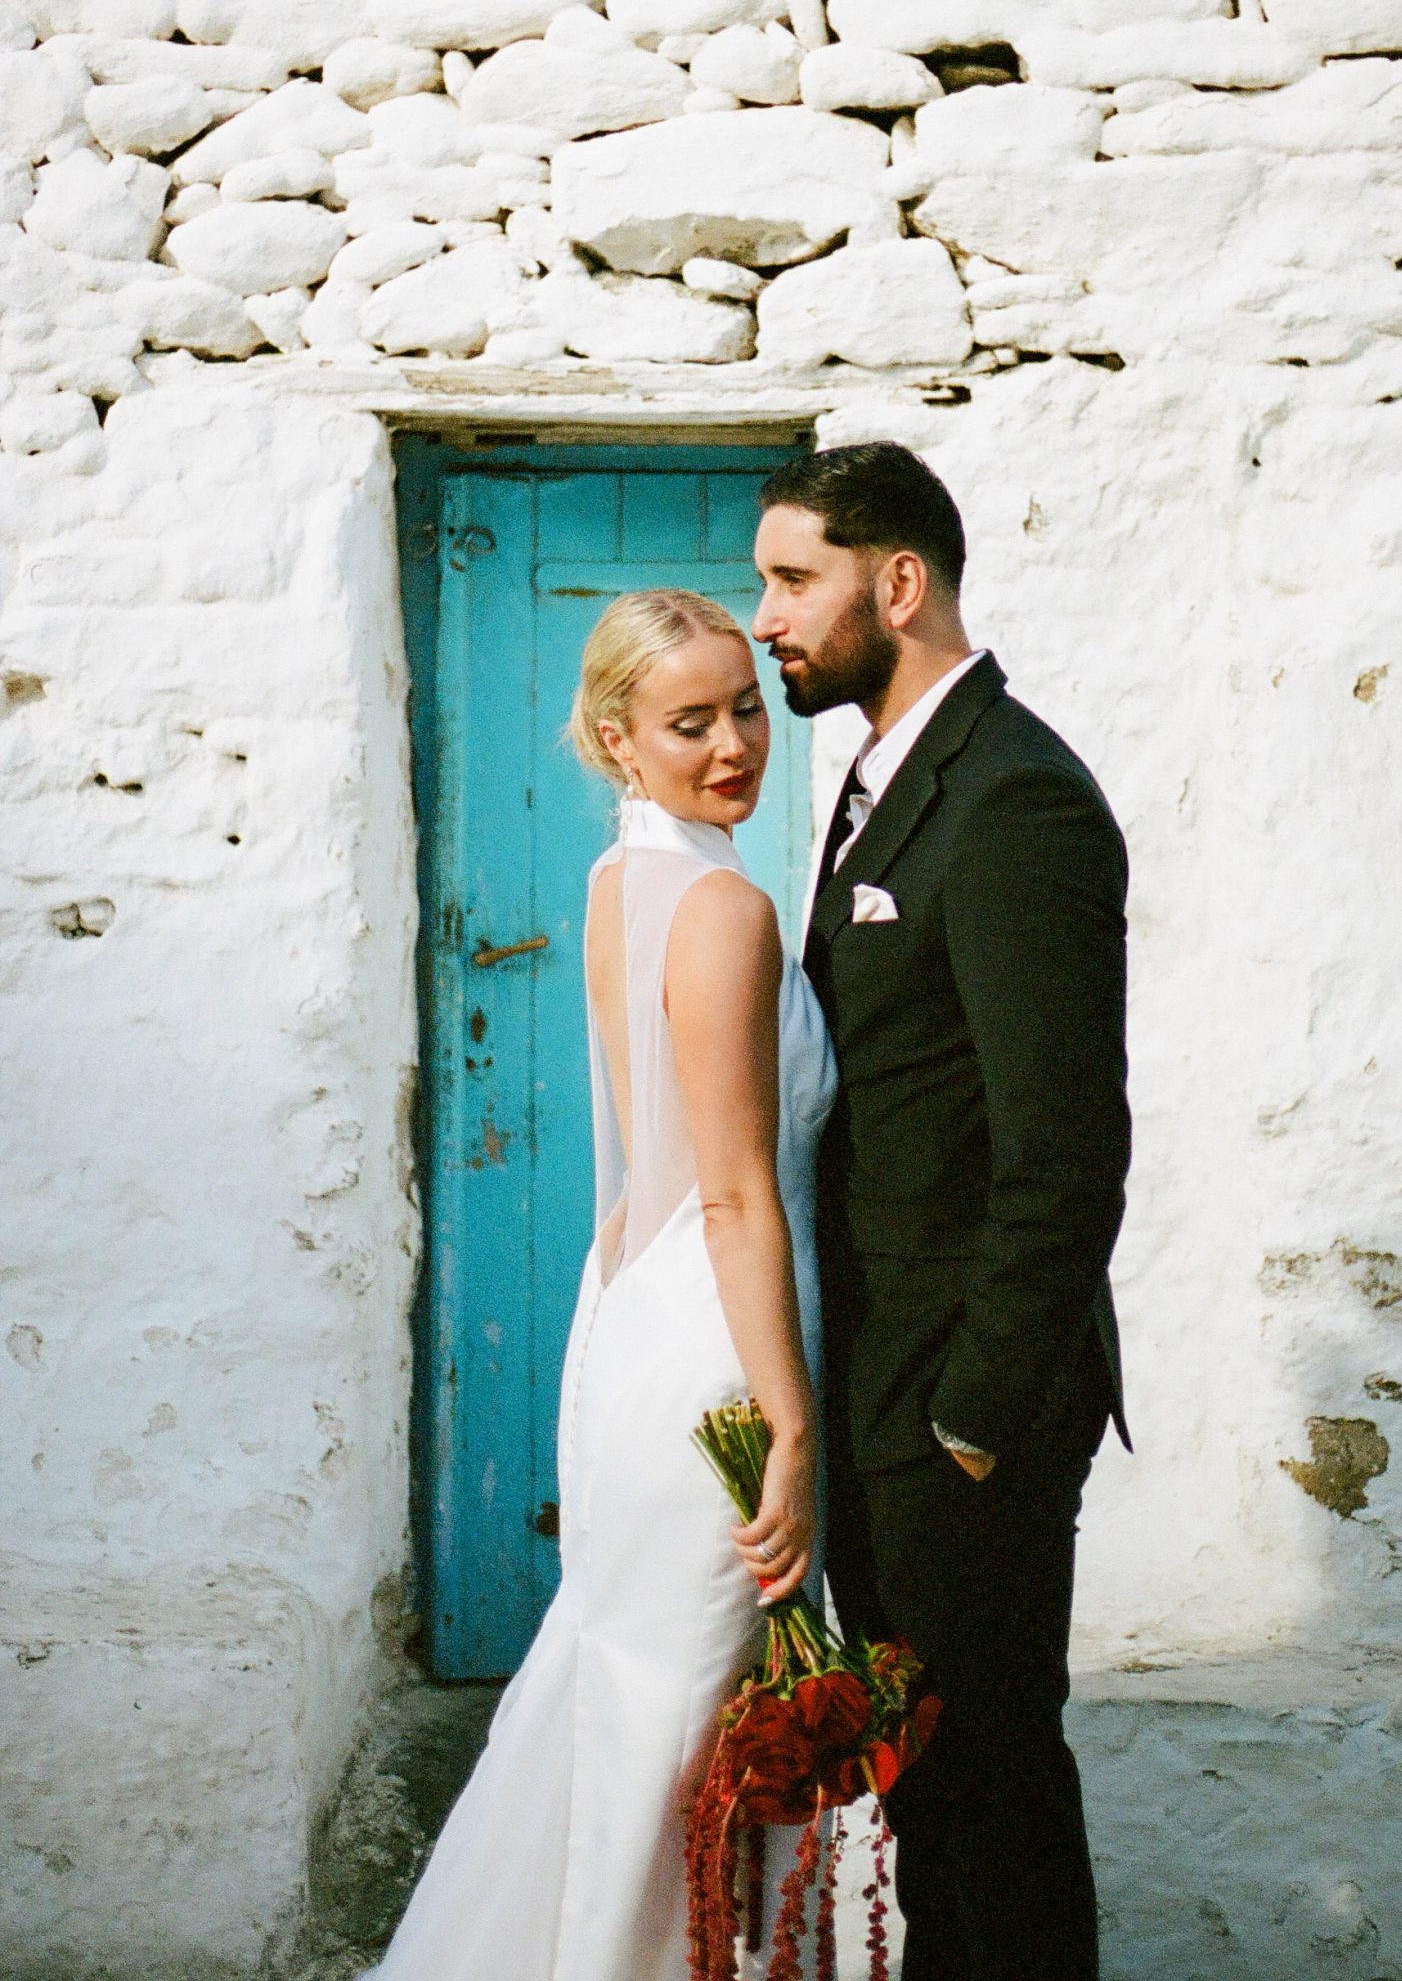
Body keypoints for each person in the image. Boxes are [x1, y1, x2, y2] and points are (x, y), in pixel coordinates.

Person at [370, 589, 836, 1981]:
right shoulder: (725, 909)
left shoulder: (616, 882)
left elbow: (649, 1170)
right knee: (684, 1732)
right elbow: (736, 1193)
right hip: (722, 1353)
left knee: (633, 1701)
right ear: (617, 738)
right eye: (689, 723)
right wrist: (791, 1422)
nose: (733, 745)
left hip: (644, 1324)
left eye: (745, 707)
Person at [753, 441, 1132, 1981]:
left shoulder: (1014, 796)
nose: (767, 618)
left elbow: (1066, 1150)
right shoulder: (887, 779)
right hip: (884, 1381)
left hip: (959, 1404)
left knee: (989, 1788)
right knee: (929, 1790)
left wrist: (971, 1414)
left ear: (897, 582)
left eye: (795, 580)